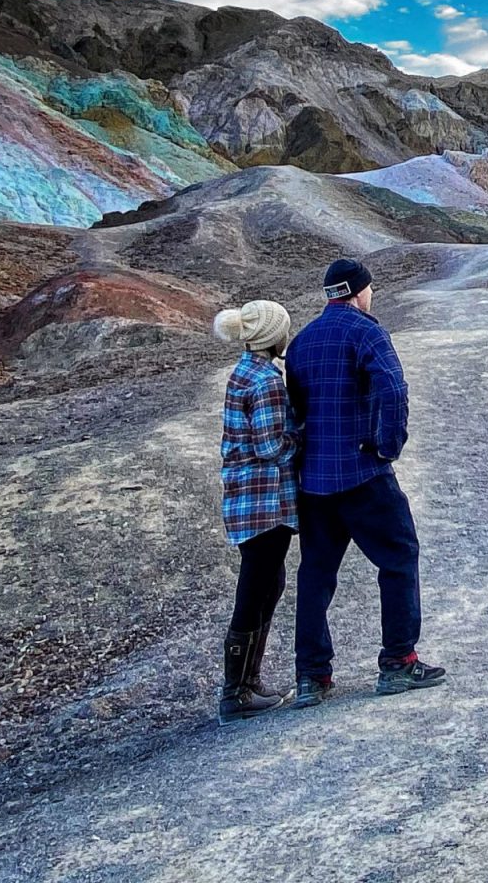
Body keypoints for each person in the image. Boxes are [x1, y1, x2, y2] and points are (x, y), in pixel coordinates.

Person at [285, 257, 446, 706]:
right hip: (362, 472)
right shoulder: (367, 331)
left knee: (316, 574)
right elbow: (392, 389)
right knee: (399, 556)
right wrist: (386, 445)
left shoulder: (301, 342)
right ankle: (399, 661)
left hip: (315, 481)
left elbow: (295, 410)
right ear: (359, 291)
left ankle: (311, 677)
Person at [214, 299, 298, 722]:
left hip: (247, 497)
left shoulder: (245, 371)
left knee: (268, 583)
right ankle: (237, 692)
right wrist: (302, 439)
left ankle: (247, 684)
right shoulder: (265, 381)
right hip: (263, 498)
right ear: (274, 336)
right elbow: (270, 446)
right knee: (257, 588)